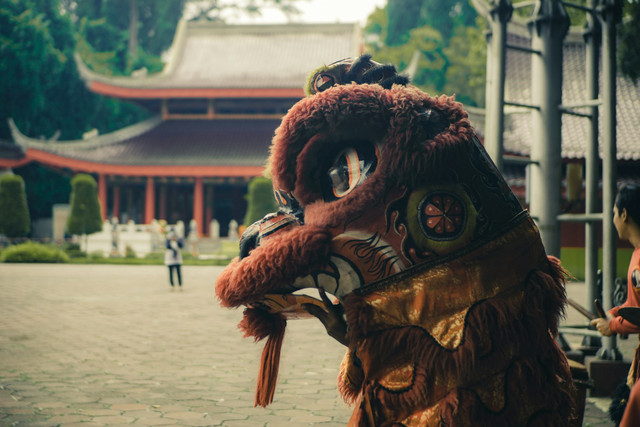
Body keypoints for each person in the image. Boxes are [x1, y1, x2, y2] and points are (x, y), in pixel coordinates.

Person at [591, 184, 640, 427]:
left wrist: (614, 326)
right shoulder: (636, 254)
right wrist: (615, 312)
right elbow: (635, 305)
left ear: (624, 214)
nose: (613, 219)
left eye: (614, 213)